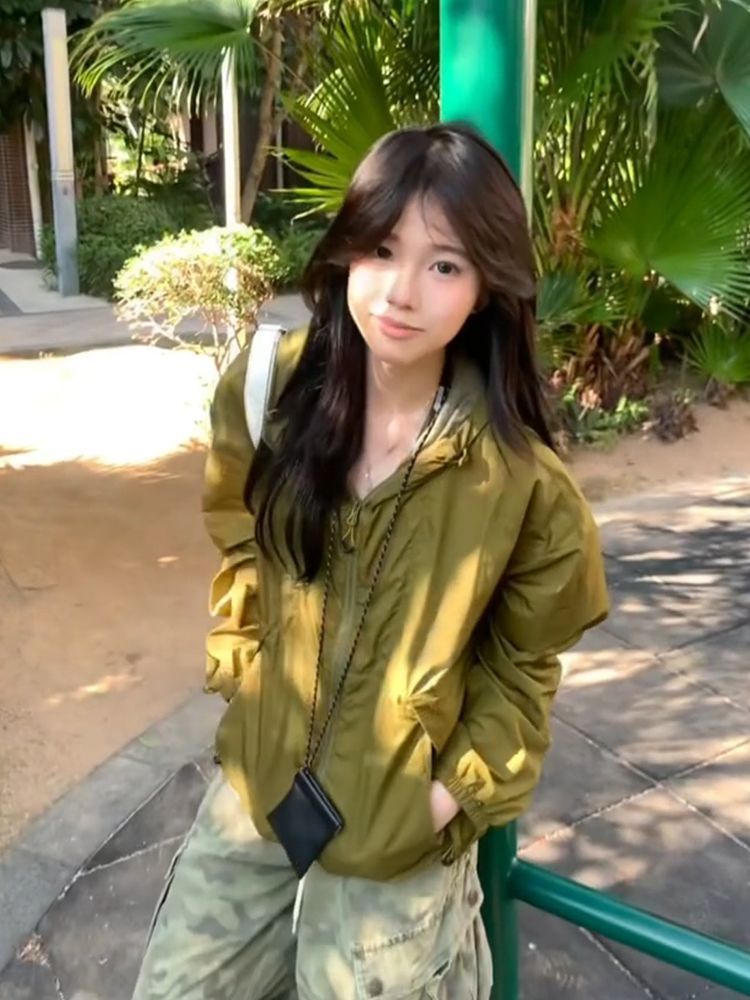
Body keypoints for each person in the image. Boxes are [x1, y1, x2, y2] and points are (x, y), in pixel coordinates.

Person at [133, 121, 609, 1000]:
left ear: (486, 288)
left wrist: (444, 796)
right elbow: (241, 537)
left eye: (444, 265)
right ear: (347, 246)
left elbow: (526, 662)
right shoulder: (270, 393)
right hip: (258, 791)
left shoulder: (520, 485)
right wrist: (246, 673)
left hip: (396, 840)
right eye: (382, 248)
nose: (400, 291)